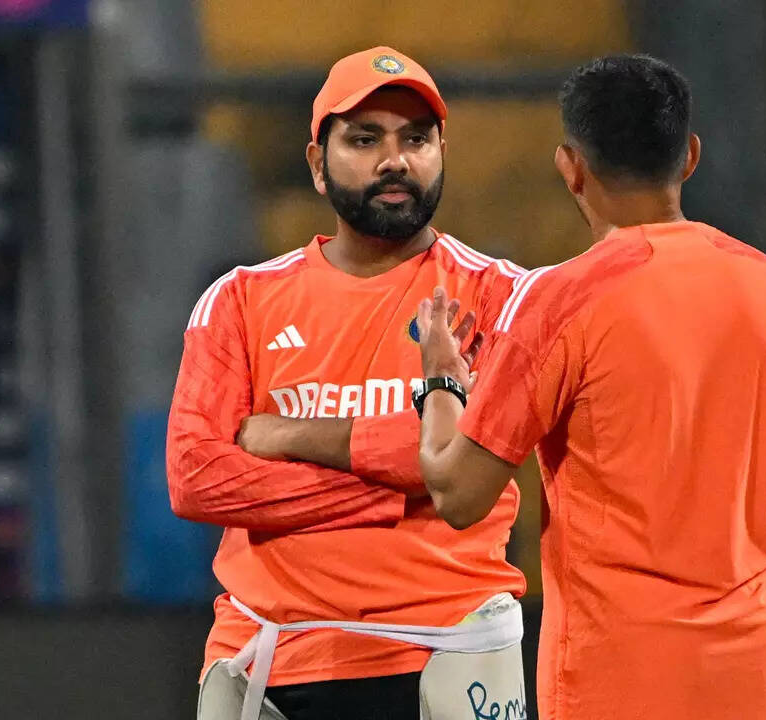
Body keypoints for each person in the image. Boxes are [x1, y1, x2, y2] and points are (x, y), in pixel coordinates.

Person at [411, 54, 766, 720]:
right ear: (690, 156)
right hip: (759, 678)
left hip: (614, 683)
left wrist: (442, 378)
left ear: (570, 166)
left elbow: (458, 493)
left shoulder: (560, 304)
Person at [165, 47, 528, 720]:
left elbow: (464, 463)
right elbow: (197, 478)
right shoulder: (239, 299)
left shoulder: (501, 296)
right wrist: (402, 490)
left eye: (415, 139)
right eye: (365, 140)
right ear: (316, 164)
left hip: (445, 647)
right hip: (266, 657)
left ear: (442, 152)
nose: (395, 160)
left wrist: (286, 436)